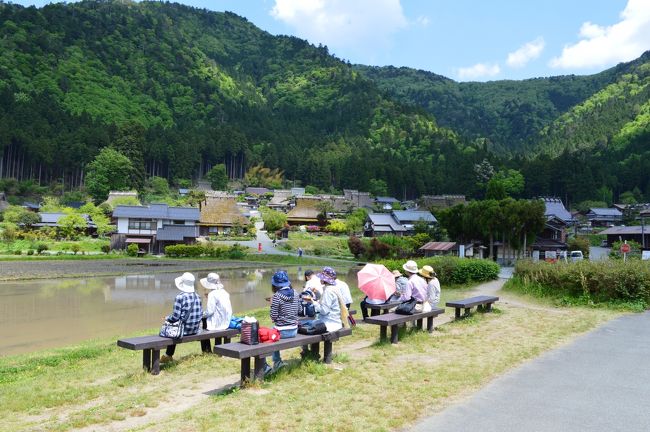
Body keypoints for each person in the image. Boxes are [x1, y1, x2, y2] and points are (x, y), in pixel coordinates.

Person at [160, 272, 203, 363]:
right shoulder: (198, 296)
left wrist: (167, 318)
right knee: (178, 324)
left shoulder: (180, 297)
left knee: (172, 326)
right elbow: (200, 314)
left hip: (183, 331)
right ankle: (168, 355)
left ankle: (168, 355)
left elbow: (175, 317)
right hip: (195, 329)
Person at [264, 270, 300, 374]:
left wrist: (272, 305)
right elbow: (300, 311)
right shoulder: (296, 293)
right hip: (294, 330)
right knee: (273, 332)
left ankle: (266, 366)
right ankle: (277, 362)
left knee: (263, 336)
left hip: (281, 332)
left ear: (274, 284)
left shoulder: (276, 296)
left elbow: (273, 316)